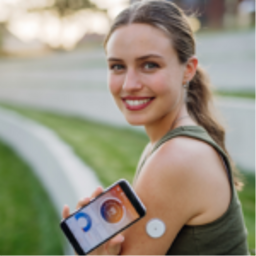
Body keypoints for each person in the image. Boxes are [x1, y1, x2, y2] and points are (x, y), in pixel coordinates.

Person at [63, 0, 250, 255]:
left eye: (149, 65)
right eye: (117, 66)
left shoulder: (177, 158)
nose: (129, 84)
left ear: (188, 70)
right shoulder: (163, 145)